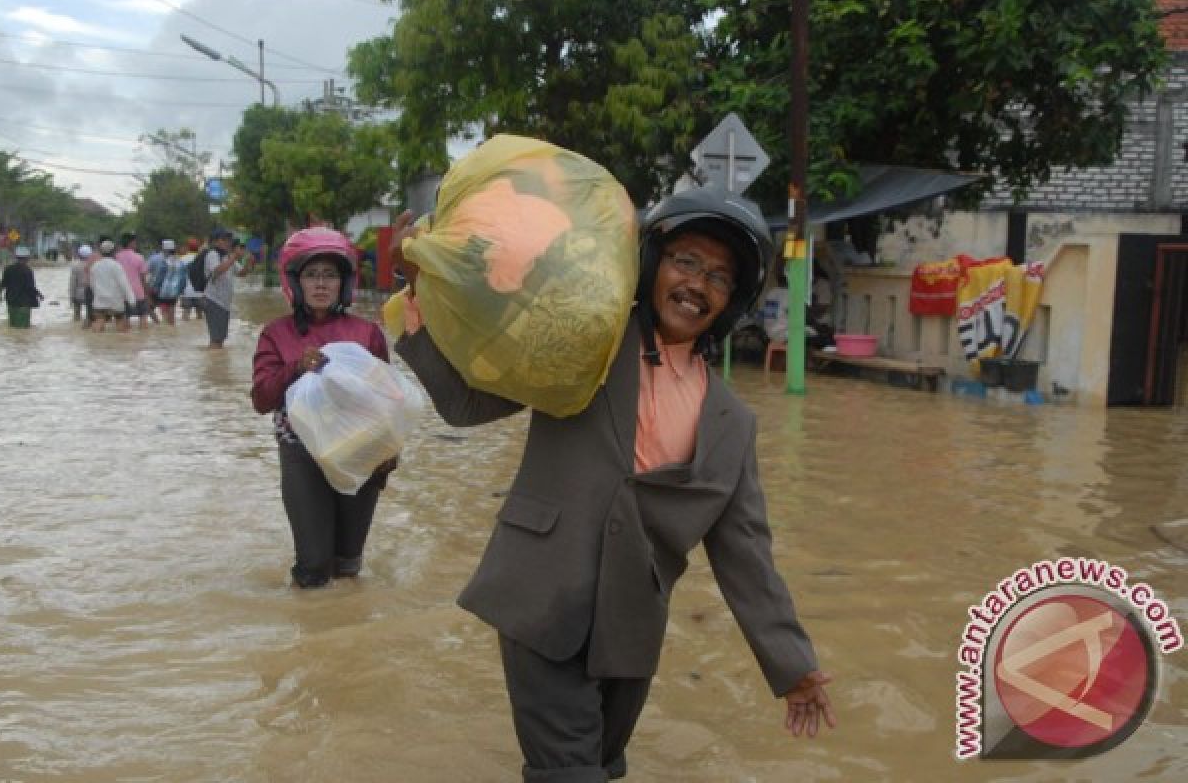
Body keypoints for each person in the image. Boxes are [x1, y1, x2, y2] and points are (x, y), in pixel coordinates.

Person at [391, 187, 836, 782]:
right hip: (539, 597)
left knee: (603, 766)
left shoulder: (733, 423)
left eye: (720, 278)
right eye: (686, 262)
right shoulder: (588, 337)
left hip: (631, 634)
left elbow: (747, 557)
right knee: (569, 773)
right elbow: (470, 404)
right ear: (653, 266)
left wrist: (792, 666)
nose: (698, 285)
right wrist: (421, 303)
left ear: (731, 302)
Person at [250, 227, 397, 589]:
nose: (320, 284)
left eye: (330, 275)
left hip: (360, 450)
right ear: (295, 282)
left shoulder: (367, 333)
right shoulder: (276, 334)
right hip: (301, 450)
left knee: (349, 563)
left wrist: (388, 454)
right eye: (311, 275)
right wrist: (295, 368)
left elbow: (388, 399)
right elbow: (261, 399)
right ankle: (310, 635)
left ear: (344, 282)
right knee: (314, 566)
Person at [202, 228, 251, 348]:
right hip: (213, 301)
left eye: (229, 239)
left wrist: (249, 263)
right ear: (216, 241)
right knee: (215, 340)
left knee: (220, 339)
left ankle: (217, 364)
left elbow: (241, 273)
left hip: (224, 303)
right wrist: (234, 257)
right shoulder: (212, 254)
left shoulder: (228, 257)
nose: (228, 242)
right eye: (224, 239)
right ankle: (213, 364)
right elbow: (217, 270)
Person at [88, 240, 136, 332]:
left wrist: (97, 295)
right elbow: (124, 284)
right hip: (115, 301)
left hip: (100, 301)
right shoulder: (116, 266)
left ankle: (95, 343)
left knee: (99, 321)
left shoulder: (95, 266)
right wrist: (131, 300)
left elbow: (92, 285)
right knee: (120, 322)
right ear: (113, 251)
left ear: (101, 252)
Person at [0, 246, 43, 328]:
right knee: (23, 329)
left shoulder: (8, 269)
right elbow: (30, 287)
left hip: (11, 303)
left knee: (13, 326)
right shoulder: (27, 270)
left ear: (16, 257)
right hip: (23, 304)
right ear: (26, 258)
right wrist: (39, 294)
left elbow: (2, 284)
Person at [116, 233, 151, 329]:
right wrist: (147, 294)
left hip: (122, 294)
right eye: (135, 242)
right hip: (138, 293)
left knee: (125, 319)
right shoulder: (139, 257)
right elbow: (144, 278)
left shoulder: (116, 257)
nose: (136, 244)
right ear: (131, 243)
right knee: (143, 317)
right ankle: (144, 341)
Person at [150, 239, 186, 324]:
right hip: (174, 292)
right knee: (172, 315)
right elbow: (183, 279)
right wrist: (181, 290)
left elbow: (160, 278)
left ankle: (167, 333)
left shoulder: (164, 262)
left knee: (164, 316)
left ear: (165, 250)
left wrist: (155, 288)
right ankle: (173, 331)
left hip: (163, 292)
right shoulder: (180, 262)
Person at [179, 237, 204, 320]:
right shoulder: (203, 258)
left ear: (187, 247)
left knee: (186, 314)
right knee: (200, 315)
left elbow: (179, 276)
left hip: (186, 291)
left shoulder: (182, 259)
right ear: (199, 247)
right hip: (200, 291)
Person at [68, 244, 92, 322]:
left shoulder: (75, 265)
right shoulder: (93, 265)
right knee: (90, 315)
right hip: (90, 293)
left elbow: (72, 283)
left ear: (79, 254)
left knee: (76, 315)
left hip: (78, 294)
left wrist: (71, 297)